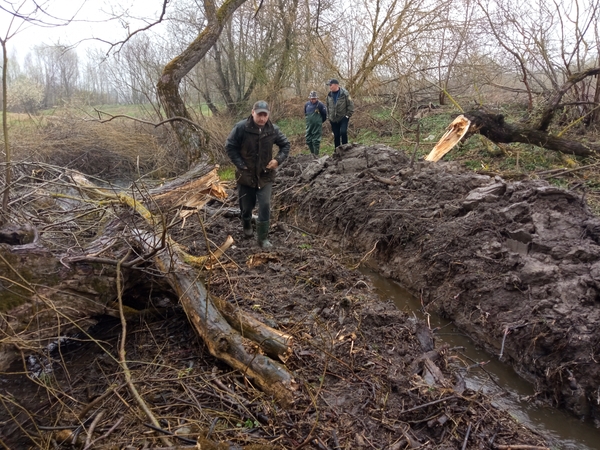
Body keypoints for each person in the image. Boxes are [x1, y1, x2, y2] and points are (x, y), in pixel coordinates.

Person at [225, 100, 291, 249]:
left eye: (265, 115)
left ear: (268, 115)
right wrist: (240, 165)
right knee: (246, 206)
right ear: (253, 112)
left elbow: (285, 145)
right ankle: (247, 222)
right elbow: (230, 146)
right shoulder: (241, 128)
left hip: (265, 175)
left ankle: (262, 238)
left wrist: (278, 160)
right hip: (246, 175)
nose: (262, 118)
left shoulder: (273, 130)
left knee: (265, 204)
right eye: (259, 114)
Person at [325, 79, 354, 148]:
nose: (330, 87)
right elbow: (327, 106)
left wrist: (347, 115)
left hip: (343, 117)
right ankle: (337, 152)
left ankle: (345, 149)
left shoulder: (345, 93)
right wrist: (329, 117)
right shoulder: (329, 95)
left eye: (331, 85)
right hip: (333, 119)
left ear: (336, 85)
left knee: (343, 132)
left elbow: (350, 105)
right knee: (336, 135)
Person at [304, 91, 327, 156]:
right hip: (309, 125)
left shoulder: (320, 105)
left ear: (317, 98)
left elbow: (324, 114)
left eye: (314, 99)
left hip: (317, 125)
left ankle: (316, 155)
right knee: (308, 139)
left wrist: (319, 121)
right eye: (311, 99)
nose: (312, 100)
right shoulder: (307, 105)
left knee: (316, 140)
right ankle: (312, 154)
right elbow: (305, 114)